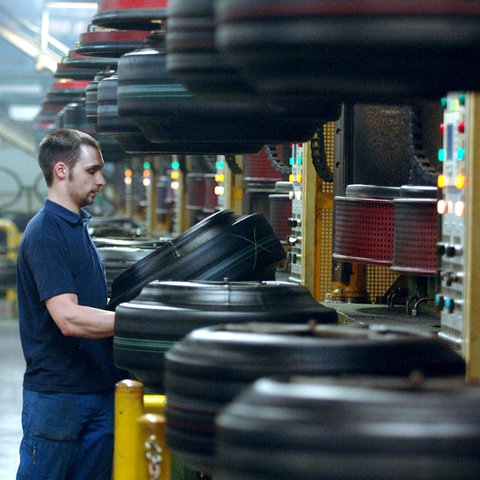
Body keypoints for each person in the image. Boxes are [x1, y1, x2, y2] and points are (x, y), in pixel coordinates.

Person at [16, 128, 127, 480]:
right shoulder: (46, 232)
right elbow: (68, 318)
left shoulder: (77, 226)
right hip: (59, 398)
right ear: (62, 171)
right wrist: (140, 322)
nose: (101, 179)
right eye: (92, 171)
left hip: (96, 389)